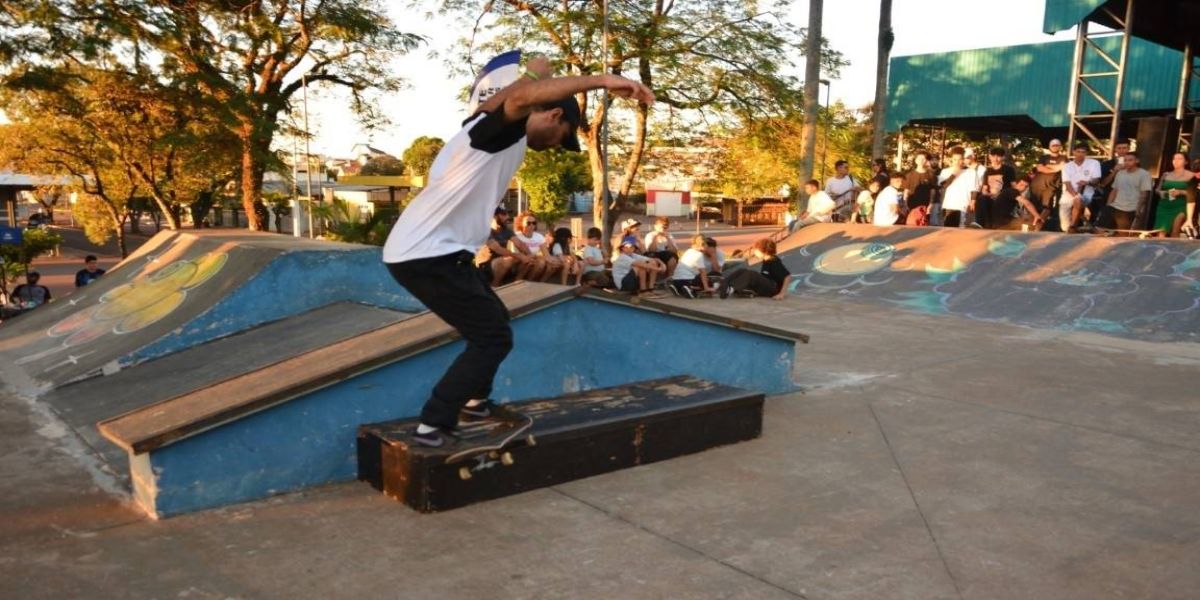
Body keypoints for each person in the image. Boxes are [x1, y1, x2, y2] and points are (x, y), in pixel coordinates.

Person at [381, 54, 655, 447]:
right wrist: (603, 80)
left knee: (493, 319)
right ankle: (433, 425)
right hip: (425, 255)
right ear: (554, 115)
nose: (557, 146)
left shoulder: (479, 125)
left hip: (430, 252)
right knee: (492, 338)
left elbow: (501, 100)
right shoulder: (501, 134)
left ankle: (475, 400)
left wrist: (529, 73)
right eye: (563, 135)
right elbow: (521, 99)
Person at [718, 238, 792, 301]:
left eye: (756, 250)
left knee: (751, 274)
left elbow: (788, 277)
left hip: (773, 289)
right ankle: (724, 283)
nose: (754, 252)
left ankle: (731, 289)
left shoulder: (774, 261)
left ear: (763, 251)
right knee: (742, 270)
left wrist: (781, 294)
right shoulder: (766, 260)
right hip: (765, 286)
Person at [1105, 151, 1154, 233]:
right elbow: (1114, 190)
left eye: (1130, 160)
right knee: (1101, 230)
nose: (1127, 162)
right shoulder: (1120, 173)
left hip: (1130, 209)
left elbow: (1144, 194)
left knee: (1122, 233)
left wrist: (1138, 209)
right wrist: (1108, 206)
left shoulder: (1144, 174)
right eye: (1125, 160)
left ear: (1137, 161)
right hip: (1115, 206)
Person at [1061, 143, 1102, 232]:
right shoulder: (1066, 166)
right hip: (1068, 194)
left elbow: (1097, 179)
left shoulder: (1094, 163)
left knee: (1078, 200)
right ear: (1073, 152)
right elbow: (1067, 183)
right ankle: (1071, 227)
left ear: (1086, 153)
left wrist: (1088, 182)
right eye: (1078, 151)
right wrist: (1074, 195)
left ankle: (1073, 226)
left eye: (1083, 152)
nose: (1080, 154)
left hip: (1087, 193)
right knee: (1064, 227)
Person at [1153, 152, 1195, 237]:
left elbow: (1194, 194)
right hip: (1165, 205)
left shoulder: (1191, 175)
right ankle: (1162, 248)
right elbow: (1157, 190)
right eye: (1174, 159)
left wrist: (1181, 192)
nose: (1176, 161)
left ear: (1186, 162)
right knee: (1161, 232)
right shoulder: (1166, 174)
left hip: (1181, 205)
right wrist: (1163, 193)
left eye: (1180, 159)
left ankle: (1175, 248)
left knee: (1175, 229)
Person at [937, 146, 980, 228]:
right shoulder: (945, 171)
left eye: (960, 159)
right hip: (948, 205)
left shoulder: (971, 172)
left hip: (963, 205)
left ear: (963, 159)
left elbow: (974, 188)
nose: (957, 162)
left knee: (961, 228)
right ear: (951, 159)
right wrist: (954, 174)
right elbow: (943, 186)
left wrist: (973, 200)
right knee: (947, 228)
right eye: (955, 159)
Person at [975, 147, 1017, 229]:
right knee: (981, 198)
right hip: (990, 196)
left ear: (1003, 157)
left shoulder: (1008, 170)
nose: (996, 159)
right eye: (993, 156)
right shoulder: (988, 171)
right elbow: (984, 188)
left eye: (998, 156)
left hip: (1004, 197)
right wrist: (987, 194)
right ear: (990, 156)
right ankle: (980, 224)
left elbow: (1014, 186)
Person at [1031, 139, 1067, 229]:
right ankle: (1031, 225)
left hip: (1052, 185)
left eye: (1057, 145)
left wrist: (1048, 166)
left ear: (1060, 146)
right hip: (1037, 184)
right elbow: (1040, 168)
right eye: (1053, 145)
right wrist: (1057, 168)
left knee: (1047, 207)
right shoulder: (1044, 157)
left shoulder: (1064, 158)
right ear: (1049, 147)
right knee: (1034, 206)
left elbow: (1064, 167)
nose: (1055, 146)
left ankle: (1038, 227)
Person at [513, 212, 558, 282]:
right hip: (519, 261)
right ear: (521, 223)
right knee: (540, 262)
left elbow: (546, 254)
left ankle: (534, 282)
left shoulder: (539, 236)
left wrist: (554, 261)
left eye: (534, 223)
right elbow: (516, 254)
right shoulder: (516, 236)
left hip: (533, 260)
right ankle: (520, 282)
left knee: (550, 264)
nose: (531, 225)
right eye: (528, 223)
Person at [1094, 140, 1130, 228]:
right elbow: (1103, 183)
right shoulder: (1107, 164)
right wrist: (1114, 171)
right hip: (1110, 193)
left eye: (1124, 148)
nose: (1122, 151)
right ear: (1115, 150)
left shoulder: (1134, 164)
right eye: (1119, 148)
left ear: (1128, 149)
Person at [903, 150, 938, 226]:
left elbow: (933, 191)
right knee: (911, 226)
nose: (921, 161)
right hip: (912, 206)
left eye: (923, 159)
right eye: (919, 158)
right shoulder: (909, 175)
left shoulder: (931, 175)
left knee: (924, 226)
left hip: (925, 206)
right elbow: (906, 191)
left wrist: (931, 204)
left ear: (926, 161)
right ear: (915, 160)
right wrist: (905, 205)